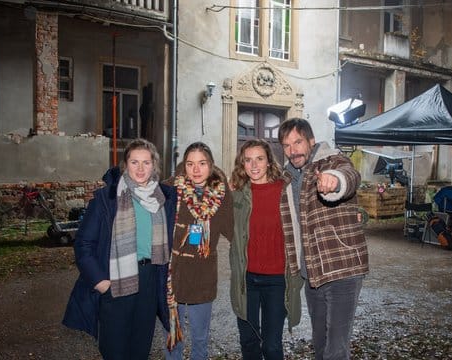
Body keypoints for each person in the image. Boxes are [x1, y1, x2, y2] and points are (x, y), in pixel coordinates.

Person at [62, 138, 177, 360]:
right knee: (114, 350)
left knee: (140, 348)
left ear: (154, 164)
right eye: (135, 162)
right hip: (116, 280)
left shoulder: (164, 197)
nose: (141, 168)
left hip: (150, 279)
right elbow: (83, 244)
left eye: (146, 162)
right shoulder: (107, 198)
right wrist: (100, 281)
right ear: (125, 165)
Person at [278, 118, 369, 360]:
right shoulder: (285, 178)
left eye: (298, 142)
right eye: (286, 145)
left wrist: (335, 181)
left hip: (342, 270)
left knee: (336, 350)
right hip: (312, 276)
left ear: (311, 141)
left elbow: (350, 176)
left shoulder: (332, 160)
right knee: (319, 344)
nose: (293, 150)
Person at [229, 139, 304, 359]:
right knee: (249, 342)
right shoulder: (238, 194)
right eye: (248, 160)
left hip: (277, 281)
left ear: (269, 162)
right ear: (241, 164)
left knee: (271, 346)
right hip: (246, 280)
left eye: (259, 159)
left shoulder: (286, 190)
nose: (254, 165)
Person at [164, 142, 234, 360]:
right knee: (173, 337)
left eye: (202, 163)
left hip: (202, 276)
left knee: (200, 339)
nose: (196, 169)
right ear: (183, 166)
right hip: (173, 274)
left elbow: (234, 231)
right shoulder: (170, 190)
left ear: (211, 165)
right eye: (190, 163)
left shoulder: (221, 195)